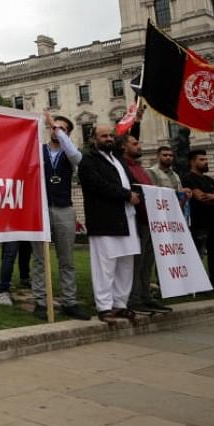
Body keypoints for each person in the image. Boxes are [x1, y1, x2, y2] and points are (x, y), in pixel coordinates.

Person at [26, 113, 90, 320]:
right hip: (41, 209)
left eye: (61, 128)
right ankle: (40, 301)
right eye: (54, 127)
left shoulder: (71, 154)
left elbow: (77, 159)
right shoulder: (39, 150)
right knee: (40, 259)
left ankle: (69, 301)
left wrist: (60, 131)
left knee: (67, 259)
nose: (56, 130)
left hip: (63, 208)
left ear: (67, 133)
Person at [77, 124, 142, 323]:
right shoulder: (88, 160)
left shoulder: (117, 160)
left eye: (110, 136)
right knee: (105, 265)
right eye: (103, 136)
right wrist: (126, 195)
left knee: (125, 263)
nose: (108, 139)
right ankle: (104, 306)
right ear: (94, 139)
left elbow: (129, 181)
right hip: (104, 219)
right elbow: (97, 185)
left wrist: (137, 193)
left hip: (126, 218)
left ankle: (120, 303)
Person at [119, 135, 171, 313]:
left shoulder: (140, 167)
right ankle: (133, 298)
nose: (139, 146)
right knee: (136, 261)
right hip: (137, 220)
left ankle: (145, 295)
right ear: (124, 147)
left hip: (150, 220)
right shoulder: (123, 166)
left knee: (147, 262)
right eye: (134, 144)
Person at [180, 149, 214, 296]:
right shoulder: (188, 178)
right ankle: (197, 284)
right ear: (193, 161)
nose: (206, 162)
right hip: (199, 223)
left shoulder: (209, 180)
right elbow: (201, 197)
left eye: (205, 159)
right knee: (198, 255)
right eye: (201, 159)